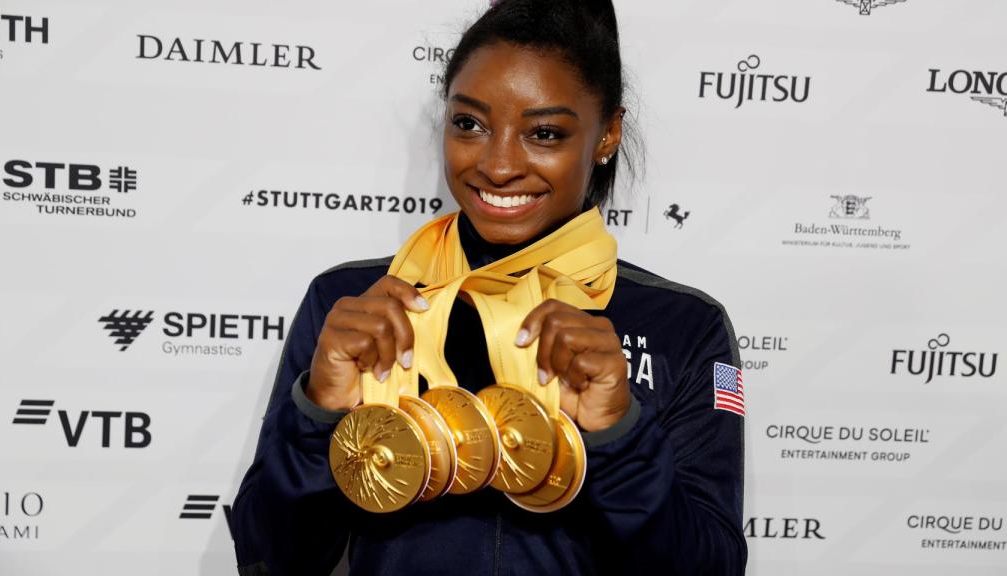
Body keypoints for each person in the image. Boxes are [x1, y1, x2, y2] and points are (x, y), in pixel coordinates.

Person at [231, 1, 747, 574]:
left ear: (607, 136)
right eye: (470, 124)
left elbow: (713, 566)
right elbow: (270, 560)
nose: (498, 166)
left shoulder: (685, 325)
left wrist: (617, 432)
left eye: (544, 133)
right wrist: (319, 412)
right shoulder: (355, 302)